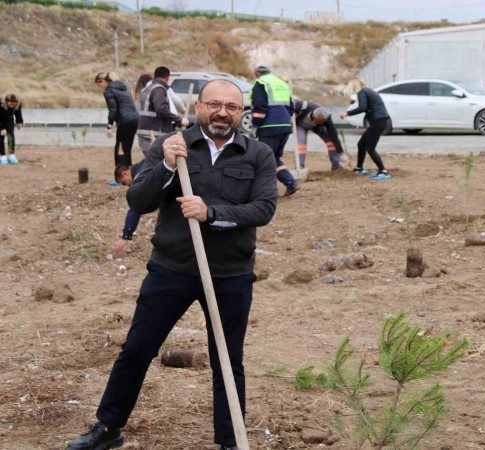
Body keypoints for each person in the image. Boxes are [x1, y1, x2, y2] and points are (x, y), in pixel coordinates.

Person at [65, 79, 278, 450]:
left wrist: (210, 213)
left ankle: (231, 441)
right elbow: (138, 199)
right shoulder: (172, 146)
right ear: (198, 107)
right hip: (172, 267)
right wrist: (164, 164)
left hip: (230, 274)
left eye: (231, 107)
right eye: (214, 104)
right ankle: (108, 427)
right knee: (137, 349)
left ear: (241, 113)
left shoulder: (258, 153)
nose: (222, 112)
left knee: (228, 360)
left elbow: (264, 208)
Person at [251, 63, 300, 196]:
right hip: (284, 126)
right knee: (274, 158)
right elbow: (291, 106)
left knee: (264, 158)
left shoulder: (260, 83)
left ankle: (264, 191)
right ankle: (290, 182)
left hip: (269, 127)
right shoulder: (281, 83)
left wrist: (254, 125)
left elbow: (259, 108)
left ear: (257, 73)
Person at [339, 85, 392, 180]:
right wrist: (356, 102)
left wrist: (346, 113)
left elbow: (362, 108)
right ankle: (359, 168)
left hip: (378, 121)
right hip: (380, 120)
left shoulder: (361, 92)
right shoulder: (367, 91)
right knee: (361, 144)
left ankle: (383, 171)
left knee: (370, 148)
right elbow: (367, 105)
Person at [136, 66, 188, 157]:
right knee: (156, 162)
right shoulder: (158, 89)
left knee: (151, 161)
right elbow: (161, 110)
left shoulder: (148, 88)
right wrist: (180, 120)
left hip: (145, 132)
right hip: (154, 134)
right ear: (167, 77)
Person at [95, 72, 139, 168]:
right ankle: (129, 173)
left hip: (125, 121)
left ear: (103, 81)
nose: (101, 88)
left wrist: (109, 126)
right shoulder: (124, 89)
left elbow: (113, 109)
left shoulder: (109, 91)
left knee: (120, 149)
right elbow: (126, 106)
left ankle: (120, 174)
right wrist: (118, 121)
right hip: (135, 119)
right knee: (127, 148)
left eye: (99, 85)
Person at [293, 98, 349, 170]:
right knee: (301, 142)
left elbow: (334, 135)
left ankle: (336, 164)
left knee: (330, 140)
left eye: (324, 121)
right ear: (316, 117)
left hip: (316, 127)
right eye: (321, 121)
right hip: (300, 124)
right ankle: (299, 166)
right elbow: (288, 111)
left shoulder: (326, 118)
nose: (324, 123)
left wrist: (341, 153)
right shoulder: (302, 106)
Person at [112, 160, 145, 256]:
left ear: (125, 174)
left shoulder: (140, 176)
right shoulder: (143, 164)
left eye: (124, 183)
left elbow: (136, 206)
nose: (127, 185)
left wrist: (125, 236)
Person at [0, 92, 24, 165]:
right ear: (6, 101)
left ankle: (11, 155)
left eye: (14, 103)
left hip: (9, 120)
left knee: (11, 137)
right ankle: (2, 156)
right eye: (10, 102)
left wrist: (19, 122)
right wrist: (1, 128)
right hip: (0, 121)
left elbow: (18, 112)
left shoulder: (18, 104)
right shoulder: (1, 105)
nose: (12, 105)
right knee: (1, 138)